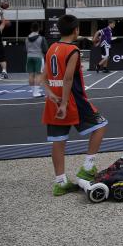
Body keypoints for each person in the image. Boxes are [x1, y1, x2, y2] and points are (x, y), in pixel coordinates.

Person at [42, 14, 108, 196]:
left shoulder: (51, 49)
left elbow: (43, 78)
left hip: (52, 100)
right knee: (101, 126)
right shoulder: (73, 50)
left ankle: (60, 182)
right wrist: (63, 103)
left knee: (58, 141)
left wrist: (51, 95)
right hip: (72, 100)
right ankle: (87, 167)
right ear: (76, 30)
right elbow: (68, 78)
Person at [25, 22, 48, 97]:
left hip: (29, 57)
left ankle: (33, 92)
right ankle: (36, 93)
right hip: (38, 56)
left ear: (31, 29)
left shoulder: (27, 38)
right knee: (38, 74)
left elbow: (25, 49)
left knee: (31, 74)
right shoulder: (41, 38)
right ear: (39, 29)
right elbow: (45, 49)